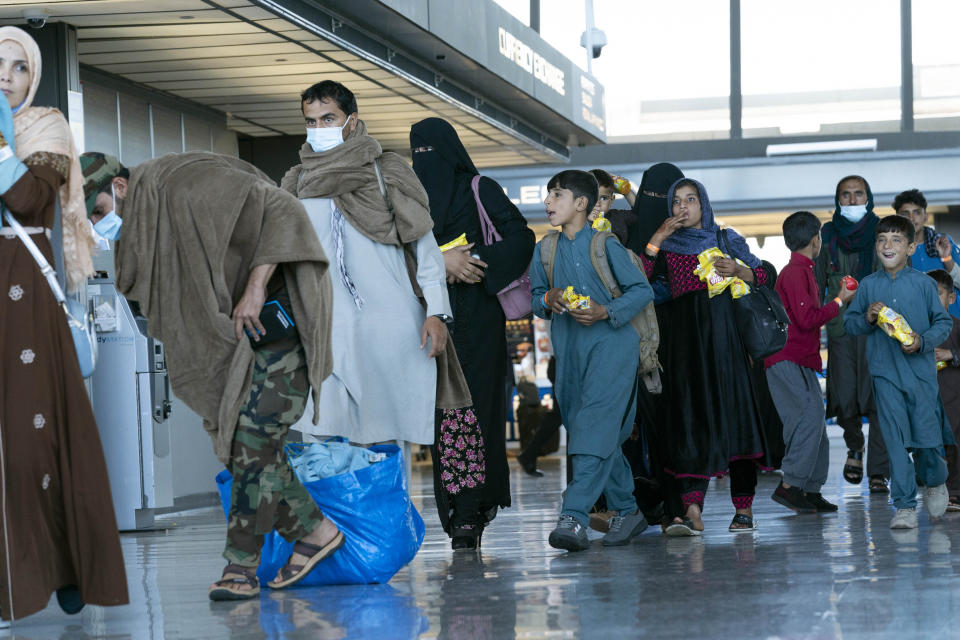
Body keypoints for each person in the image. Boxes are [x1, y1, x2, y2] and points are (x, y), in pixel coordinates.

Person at [81, 150, 339, 600]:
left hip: (281, 316)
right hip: (243, 335)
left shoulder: (186, 186)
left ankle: (240, 567)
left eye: (99, 211)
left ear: (119, 187)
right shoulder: (141, 227)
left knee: (254, 439)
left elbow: (282, 208)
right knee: (246, 445)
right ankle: (315, 530)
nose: (100, 225)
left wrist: (256, 288)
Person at [0, 26, 128, 623]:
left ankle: (62, 564)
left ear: (33, 75)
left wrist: (1, 142)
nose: (4, 78)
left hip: (23, 295)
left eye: (16, 68)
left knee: (33, 441)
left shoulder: (45, 128)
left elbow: (27, 199)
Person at [283, 83, 471, 461]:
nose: (319, 128)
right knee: (321, 440)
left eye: (328, 118)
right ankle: (335, 522)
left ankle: (383, 521)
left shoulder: (388, 173)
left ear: (351, 121)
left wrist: (436, 312)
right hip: (324, 331)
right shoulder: (296, 184)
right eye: (311, 121)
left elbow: (425, 248)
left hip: (389, 332)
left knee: (383, 444)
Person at [410, 117, 534, 549]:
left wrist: (475, 261)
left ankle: (473, 508)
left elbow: (522, 237)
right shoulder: (409, 198)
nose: (422, 161)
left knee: (476, 413)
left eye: (429, 153)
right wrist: (442, 264)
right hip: (430, 321)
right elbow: (396, 253)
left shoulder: (481, 189)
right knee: (445, 418)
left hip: (478, 321)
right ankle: (458, 510)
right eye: (416, 153)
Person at [530, 169, 654, 552]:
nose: (548, 202)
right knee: (598, 434)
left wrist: (606, 311)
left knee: (594, 428)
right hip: (569, 352)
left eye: (557, 195)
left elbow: (641, 289)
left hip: (613, 345)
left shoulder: (605, 245)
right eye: (548, 196)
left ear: (581, 203)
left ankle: (573, 517)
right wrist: (549, 299)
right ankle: (627, 509)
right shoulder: (544, 249)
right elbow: (535, 297)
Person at [643, 178, 771, 535]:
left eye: (691, 200)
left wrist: (740, 271)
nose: (683, 208)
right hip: (685, 349)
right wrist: (656, 239)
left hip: (727, 344)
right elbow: (641, 283)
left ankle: (743, 509)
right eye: (676, 202)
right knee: (692, 421)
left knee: (736, 419)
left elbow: (763, 274)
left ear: (703, 204)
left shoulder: (726, 239)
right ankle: (693, 511)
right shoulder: (666, 247)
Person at [843, 215, 953, 529]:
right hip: (884, 374)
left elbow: (942, 322)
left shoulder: (923, 284)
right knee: (894, 440)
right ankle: (903, 505)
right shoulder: (868, 286)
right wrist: (866, 316)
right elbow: (850, 325)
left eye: (896, 240)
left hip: (920, 374)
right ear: (875, 247)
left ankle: (934, 480)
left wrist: (922, 341)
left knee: (926, 439)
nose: (887, 245)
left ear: (910, 247)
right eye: (882, 240)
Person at [766, 212, 855, 514]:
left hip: (798, 358)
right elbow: (807, 320)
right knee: (805, 417)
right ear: (815, 239)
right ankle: (791, 484)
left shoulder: (801, 270)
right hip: (786, 358)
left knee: (815, 418)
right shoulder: (795, 273)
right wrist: (840, 300)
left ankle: (810, 488)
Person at [815, 175, 890, 493]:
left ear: (868, 197)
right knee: (845, 398)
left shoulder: (883, 231)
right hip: (842, 329)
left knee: (878, 399)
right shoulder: (827, 234)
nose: (852, 200)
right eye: (845, 195)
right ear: (837, 199)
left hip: (879, 329)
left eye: (859, 194)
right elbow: (817, 281)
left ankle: (877, 471)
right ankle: (854, 446)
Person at [893, 189, 960, 317]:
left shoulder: (943, 242)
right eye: (905, 213)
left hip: (953, 322)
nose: (911, 218)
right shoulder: (892, 251)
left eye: (917, 212)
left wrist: (947, 259)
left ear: (926, 216)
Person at [927, 269, 960, 511]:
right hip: (929, 399)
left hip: (955, 398)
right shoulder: (918, 330)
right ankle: (939, 488)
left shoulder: (956, 327)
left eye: (937, 293)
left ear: (951, 298)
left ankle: (955, 492)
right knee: (932, 446)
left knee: (955, 445)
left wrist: (951, 354)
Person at [587, 168, 636, 244]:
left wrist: (627, 192)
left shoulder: (618, 217)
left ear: (611, 200)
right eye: (592, 196)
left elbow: (642, 215)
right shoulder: (573, 221)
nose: (597, 204)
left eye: (604, 198)